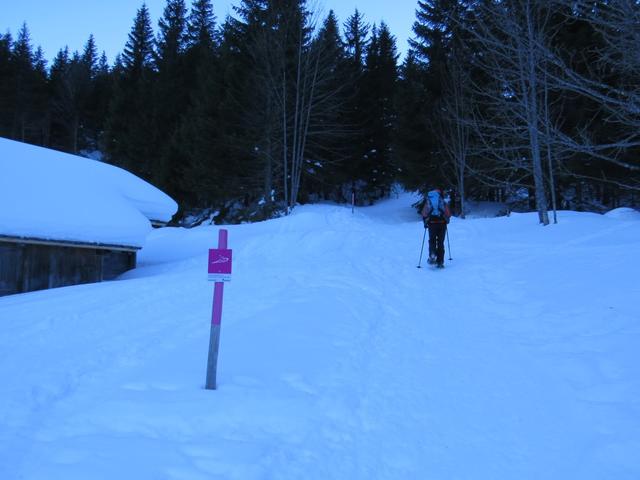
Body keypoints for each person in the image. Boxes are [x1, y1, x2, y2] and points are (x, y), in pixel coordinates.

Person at [421, 188, 451, 268]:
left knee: (432, 240)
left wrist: (425, 222)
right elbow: (448, 213)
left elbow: (424, 213)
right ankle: (440, 262)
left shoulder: (429, 201)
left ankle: (432, 255)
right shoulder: (442, 201)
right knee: (441, 242)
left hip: (432, 224)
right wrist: (447, 220)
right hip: (442, 224)